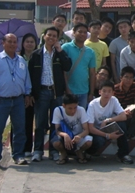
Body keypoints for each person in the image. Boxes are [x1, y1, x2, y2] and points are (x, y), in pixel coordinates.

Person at [0, 33, 32, 167]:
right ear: (3, 43)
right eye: (9, 42)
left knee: (19, 129)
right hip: (1, 100)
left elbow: (26, 79)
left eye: (14, 42)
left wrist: (27, 94)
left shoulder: (21, 60)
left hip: (18, 100)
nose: (12, 44)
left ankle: (18, 155)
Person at [28, 26, 72, 162]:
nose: (51, 38)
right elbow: (30, 75)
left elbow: (67, 66)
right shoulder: (36, 55)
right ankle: (38, 150)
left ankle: (54, 150)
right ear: (44, 36)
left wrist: (60, 50)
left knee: (55, 123)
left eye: (54, 36)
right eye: (49, 35)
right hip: (41, 92)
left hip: (56, 93)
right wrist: (30, 93)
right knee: (40, 123)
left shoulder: (59, 54)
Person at [86, 80, 134, 164]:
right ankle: (88, 152)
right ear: (100, 92)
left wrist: (107, 120)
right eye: (104, 91)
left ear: (113, 93)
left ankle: (123, 154)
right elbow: (90, 128)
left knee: (121, 125)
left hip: (107, 127)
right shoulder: (92, 105)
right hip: (96, 131)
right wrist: (107, 135)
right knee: (99, 141)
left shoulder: (114, 100)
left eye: (109, 91)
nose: (106, 94)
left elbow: (123, 116)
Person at [12, 33, 38, 159]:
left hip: (33, 95)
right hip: (19, 94)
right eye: (27, 41)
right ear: (22, 44)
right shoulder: (17, 58)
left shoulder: (38, 57)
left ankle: (28, 148)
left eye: (32, 42)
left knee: (29, 121)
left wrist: (31, 94)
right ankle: (16, 149)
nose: (29, 44)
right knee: (17, 123)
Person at [50, 93, 92, 165]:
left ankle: (79, 151)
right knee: (56, 142)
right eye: (70, 108)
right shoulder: (58, 110)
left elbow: (86, 130)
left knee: (89, 142)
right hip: (64, 137)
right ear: (64, 106)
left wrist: (79, 136)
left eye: (75, 108)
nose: (73, 111)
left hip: (78, 137)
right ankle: (63, 153)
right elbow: (57, 131)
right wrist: (65, 135)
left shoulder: (81, 110)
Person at [62, 23, 97, 110]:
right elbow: (63, 71)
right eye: (80, 32)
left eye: (85, 32)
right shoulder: (65, 48)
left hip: (84, 91)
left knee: (82, 116)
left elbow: (92, 73)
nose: (82, 34)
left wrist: (91, 93)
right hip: (69, 91)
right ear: (74, 33)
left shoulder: (90, 52)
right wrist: (67, 89)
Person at [113, 66, 135, 139]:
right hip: (119, 113)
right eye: (126, 77)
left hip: (131, 112)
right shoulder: (115, 89)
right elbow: (113, 106)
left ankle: (131, 134)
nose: (128, 80)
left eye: (131, 78)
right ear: (121, 78)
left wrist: (130, 111)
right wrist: (123, 113)